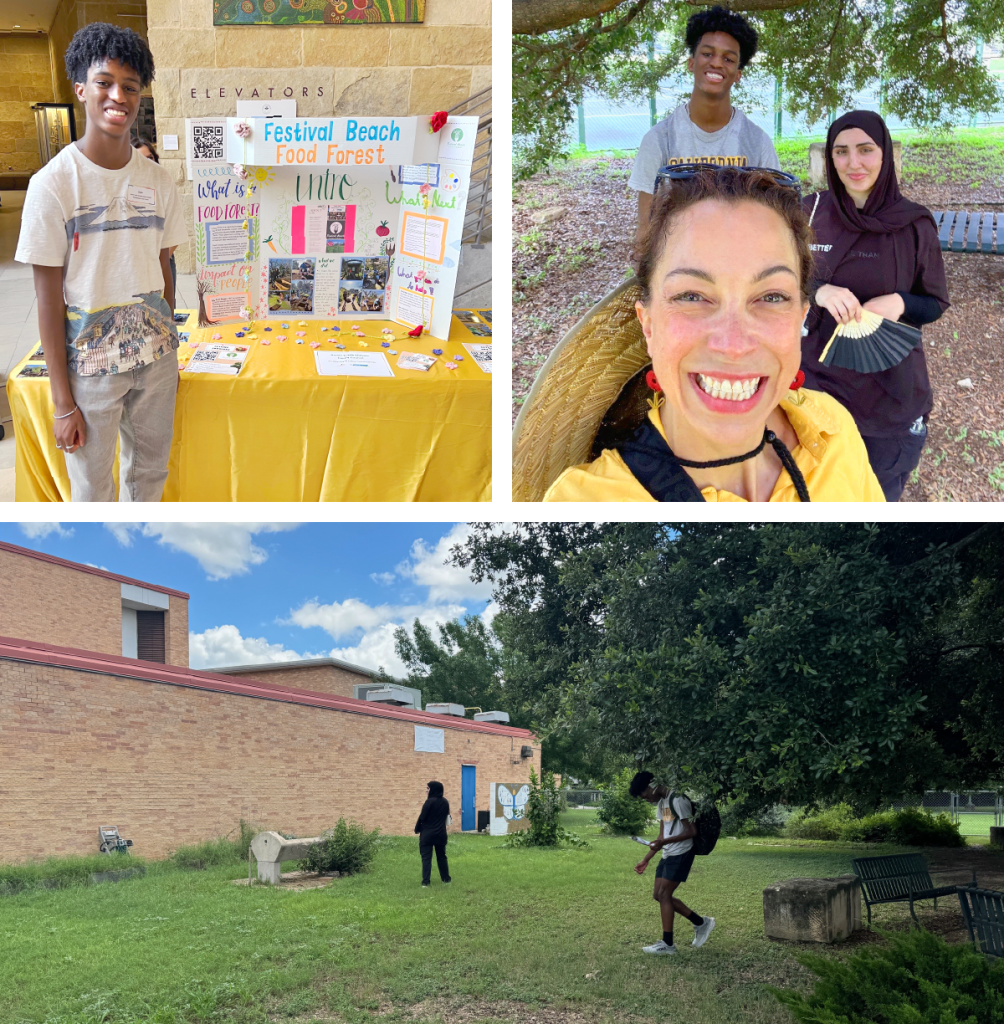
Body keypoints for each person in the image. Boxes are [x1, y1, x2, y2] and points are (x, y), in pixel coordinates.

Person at [535, 166, 886, 502]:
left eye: (771, 297)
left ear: (800, 319)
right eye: (691, 296)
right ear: (649, 324)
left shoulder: (833, 427)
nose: (733, 345)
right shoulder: (586, 502)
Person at [14, 22, 188, 502]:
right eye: (104, 82)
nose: (118, 96)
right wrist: (62, 401)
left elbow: (163, 267)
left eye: (130, 86)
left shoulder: (159, 181)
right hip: (90, 367)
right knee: (92, 490)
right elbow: (48, 299)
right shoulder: (53, 185)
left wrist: (167, 337)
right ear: (80, 89)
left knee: (150, 477)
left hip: (157, 361)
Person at [801, 111, 950, 501]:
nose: (854, 163)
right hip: (817, 385)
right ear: (830, 158)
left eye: (866, 150)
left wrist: (901, 301)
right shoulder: (809, 213)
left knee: (876, 497)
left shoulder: (914, 224)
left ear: (884, 153)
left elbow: (934, 303)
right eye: (841, 152)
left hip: (889, 393)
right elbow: (777, 281)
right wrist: (819, 291)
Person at [630, 5, 779, 254]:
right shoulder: (659, 140)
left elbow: (773, 222)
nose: (717, 63)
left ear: (737, 75)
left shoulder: (757, 143)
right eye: (707, 54)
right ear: (691, 63)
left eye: (728, 59)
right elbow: (645, 230)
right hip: (676, 267)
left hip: (738, 264)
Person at [629, 771, 715, 956]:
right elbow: (662, 836)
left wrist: (664, 843)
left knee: (664, 894)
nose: (645, 799)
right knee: (658, 895)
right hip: (668, 853)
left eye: (644, 795)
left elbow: (691, 831)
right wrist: (646, 859)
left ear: (651, 787)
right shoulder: (663, 803)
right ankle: (701, 922)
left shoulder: (678, 800)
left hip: (682, 853)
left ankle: (668, 944)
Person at [132, 136, 179, 298]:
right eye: (140, 159)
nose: (147, 163)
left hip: (163, 260)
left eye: (149, 158)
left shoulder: (164, 187)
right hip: (136, 266)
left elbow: (174, 231)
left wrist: (158, 262)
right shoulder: (123, 191)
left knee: (165, 311)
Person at [414, 780, 452, 887]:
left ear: (433, 789)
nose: (426, 790)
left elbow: (423, 817)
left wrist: (417, 829)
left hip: (428, 834)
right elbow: (447, 818)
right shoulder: (445, 802)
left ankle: (426, 882)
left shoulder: (429, 802)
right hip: (441, 833)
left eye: (428, 788)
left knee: (426, 858)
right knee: (442, 856)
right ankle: (446, 879)